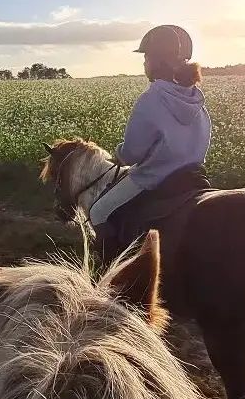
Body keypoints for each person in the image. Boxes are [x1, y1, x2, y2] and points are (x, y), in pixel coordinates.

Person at [87, 24, 210, 240]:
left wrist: (120, 154)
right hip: (193, 176)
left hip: (155, 179)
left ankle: (111, 269)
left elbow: (132, 155)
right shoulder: (195, 97)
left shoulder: (151, 99)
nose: (144, 63)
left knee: (98, 212)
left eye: (146, 58)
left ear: (156, 61)